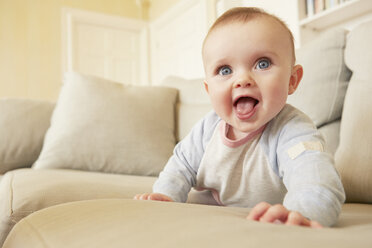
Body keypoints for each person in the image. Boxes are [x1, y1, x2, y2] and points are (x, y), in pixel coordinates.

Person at [134, 7, 345, 228]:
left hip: (264, 218)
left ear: (292, 80)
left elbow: (315, 177)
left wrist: (304, 212)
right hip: (206, 218)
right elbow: (181, 165)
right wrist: (165, 196)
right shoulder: (207, 129)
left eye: (262, 63)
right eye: (225, 70)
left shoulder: (292, 129)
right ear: (209, 90)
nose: (243, 79)